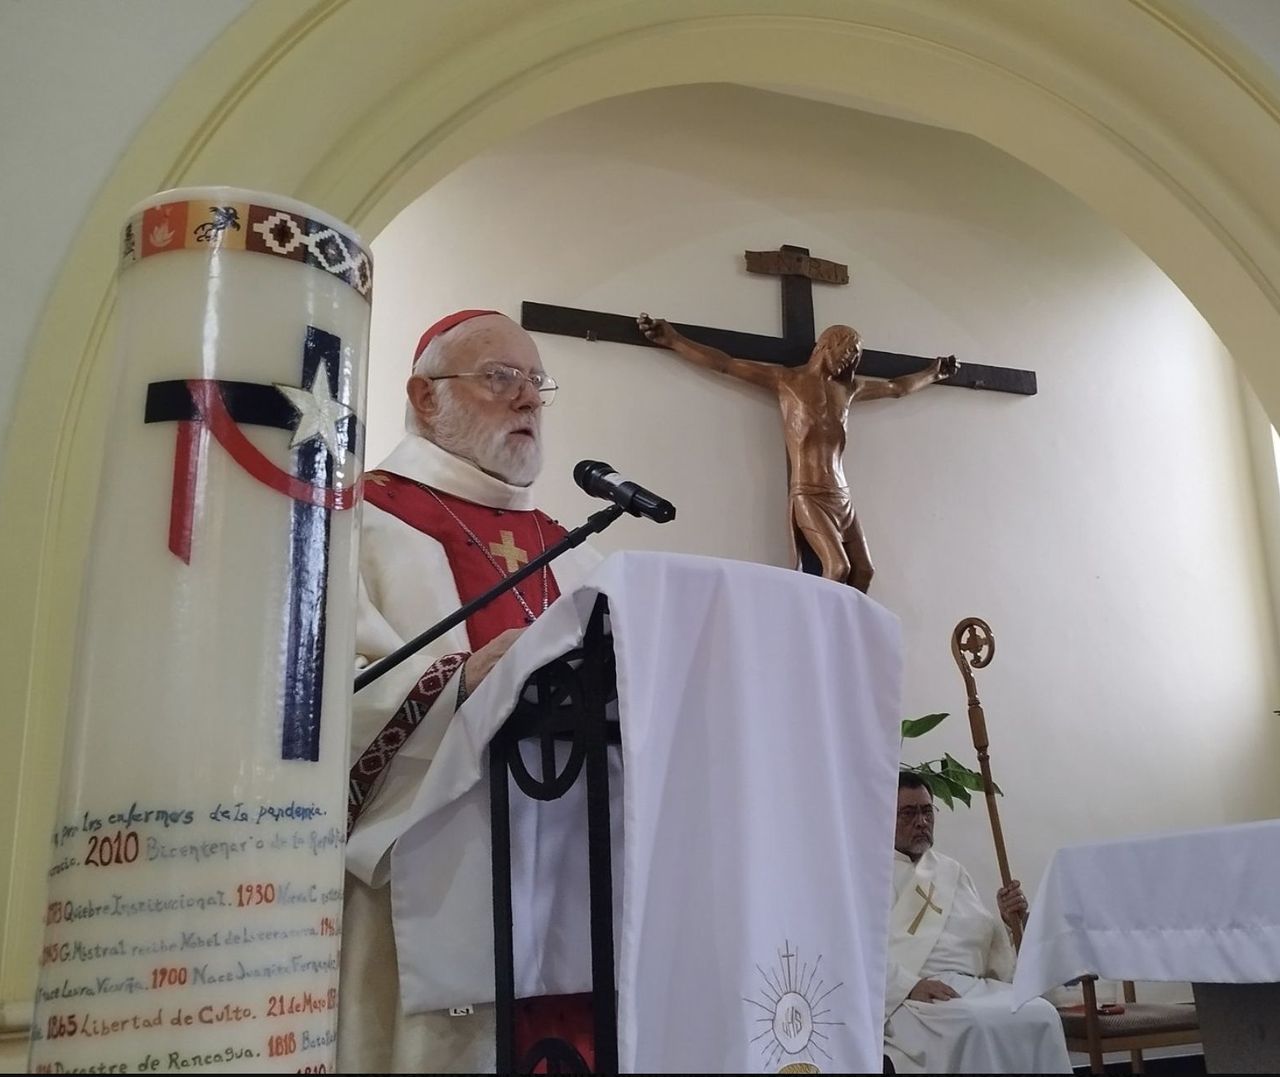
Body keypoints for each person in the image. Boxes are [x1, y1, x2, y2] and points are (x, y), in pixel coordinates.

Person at [337, 310, 602, 1072]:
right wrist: (457, 683)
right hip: (429, 881)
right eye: (500, 377)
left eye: (536, 381)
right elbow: (322, 697)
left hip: (569, 882)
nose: (529, 399)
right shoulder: (361, 521)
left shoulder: (570, 547)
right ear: (425, 398)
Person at [636, 313, 954, 592]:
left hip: (841, 494)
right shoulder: (787, 380)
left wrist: (932, 373)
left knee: (864, 571)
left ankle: (850, 630)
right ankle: (818, 629)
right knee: (838, 567)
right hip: (809, 492)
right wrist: (674, 340)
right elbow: (726, 364)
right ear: (826, 346)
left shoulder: (848, 389)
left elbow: (896, 388)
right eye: (846, 351)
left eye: (855, 355)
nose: (850, 360)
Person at [884, 773, 1072, 1074]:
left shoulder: (951, 871)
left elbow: (988, 946)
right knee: (974, 1023)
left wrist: (1010, 922)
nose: (921, 821)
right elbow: (856, 955)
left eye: (927, 811)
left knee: (1041, 1013)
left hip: (973, 986)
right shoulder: (870, 875)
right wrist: (909, 986)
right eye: (908, 813)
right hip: (913, 995)